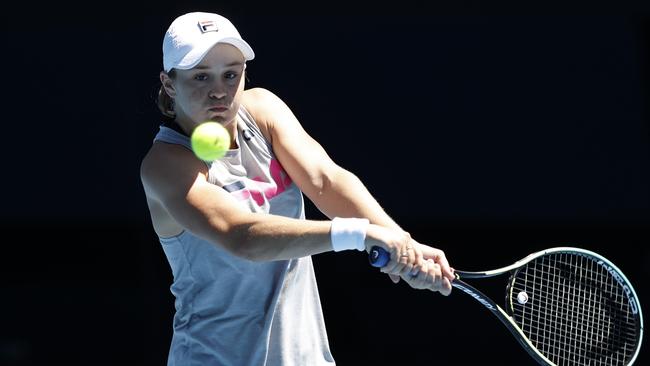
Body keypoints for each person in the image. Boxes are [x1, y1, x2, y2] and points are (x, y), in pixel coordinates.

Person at [140, 11, 455, 366]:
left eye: (231, 74)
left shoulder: (262, 111)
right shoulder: (165, 165)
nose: (219, 91)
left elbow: (325, 181)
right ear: (169, 84)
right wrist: (361, 233)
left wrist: (402, 243)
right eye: (200, 76)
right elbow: (242, 236)